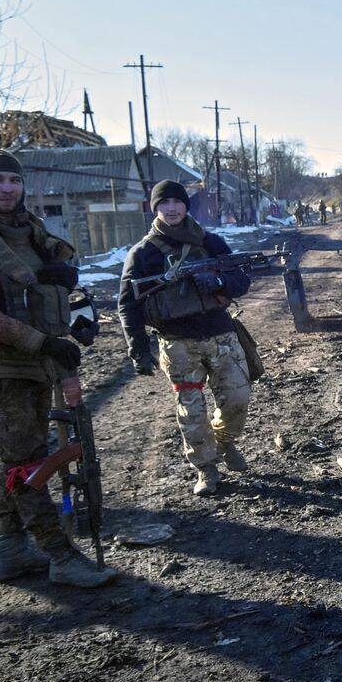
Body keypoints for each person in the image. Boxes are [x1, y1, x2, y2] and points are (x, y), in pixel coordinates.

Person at [0, 150, 118, 587]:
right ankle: (60, 555)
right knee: (26, 462)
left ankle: (9, 548)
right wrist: (40, 341)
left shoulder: (29, 230)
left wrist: (75, 312)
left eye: (13, 181)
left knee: (18, 454)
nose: (6, 189)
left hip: (37, 359)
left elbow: (47, 291)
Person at [118, 181, 254, 497]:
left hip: (221, 335)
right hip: (177, 342)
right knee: (191, 412)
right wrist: (137, 346)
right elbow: (128, 303)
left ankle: (224, 441)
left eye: (177, 202)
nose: (171, 208)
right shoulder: (143, 253)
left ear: (186, 205)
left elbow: (242, 279)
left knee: (238, 399)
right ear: (155, 208)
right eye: (163, 203)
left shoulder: (212, 242)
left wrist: (219, 280)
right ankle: (206, 468)